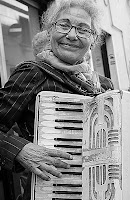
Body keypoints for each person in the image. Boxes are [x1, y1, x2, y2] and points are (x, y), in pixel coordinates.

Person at [0, 0, 113, 199]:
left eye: (83, 29)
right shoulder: (32, 73)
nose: (71, 35)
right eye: (63, 25)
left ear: (93, 41)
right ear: (50, 31)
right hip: (51, 191)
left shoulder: (104, 86)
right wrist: (20, 150)